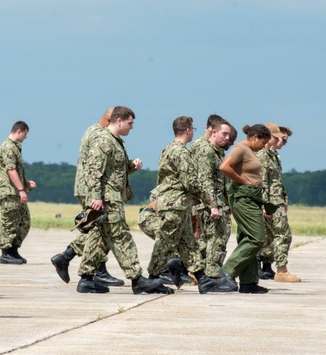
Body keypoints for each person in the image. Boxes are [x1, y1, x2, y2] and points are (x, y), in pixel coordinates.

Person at [76, 106, 164, 294]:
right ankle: (137, 279)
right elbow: (93, 171)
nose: (132, 127)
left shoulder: (115, 142)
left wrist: (131, 165)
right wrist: (96, 197)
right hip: (107, 199)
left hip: (112, 197)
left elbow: (114, 169)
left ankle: (86, 279)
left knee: (99, 239)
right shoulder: (104, 141)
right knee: (121, 237)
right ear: (119, 121)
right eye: (130, 123)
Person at [147, 116, 233, 294]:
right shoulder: (180, 152)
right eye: (192, 129)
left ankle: (202, 279)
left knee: (189, 244)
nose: (194, 132)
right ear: (187, 130)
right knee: (164, 243)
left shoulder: (167, 149)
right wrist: (208, 200)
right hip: (175, 204)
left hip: (178, 203)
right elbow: (191, 182)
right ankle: (152, 279)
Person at [50, 108, 125, 289]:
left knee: (97, 228)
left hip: (88, 188)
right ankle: (94, 270)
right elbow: (96, 168)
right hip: (92, 189)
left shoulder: (92, 130)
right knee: (99, 229)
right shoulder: (100, 135)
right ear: (110, 121)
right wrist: (96, 194)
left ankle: (69, 258)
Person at [218, 124, 274, 294]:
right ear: (255, 137)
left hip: (252, 198)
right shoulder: (241, 149)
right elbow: (224, 167)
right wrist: (242, 180)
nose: (264, 146)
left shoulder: (250, 151)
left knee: (247, 238)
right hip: (244, 199)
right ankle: (227, 271)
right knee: (257, 238)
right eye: (263, 142)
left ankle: (248, 282)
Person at [189, 114, 234, 280]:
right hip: (211, 205)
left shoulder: (218, 153)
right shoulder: (206, 151)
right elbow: (204, 180)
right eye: (224, 134)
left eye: (229, 135)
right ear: (213, 132)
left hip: (219, 203)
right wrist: (212, 205)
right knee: (216, 240)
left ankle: (195, 269)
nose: (227, 138)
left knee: (210, 241)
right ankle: (213, 276)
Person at [258, 125, 300, 283]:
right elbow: (261, 182)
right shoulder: (262, 155)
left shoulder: (273, 156)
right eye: (277, 137)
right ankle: (282, 270)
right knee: (282, 234)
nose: (279, 141)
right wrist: (263, 205)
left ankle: (278, 268)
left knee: (279, 235)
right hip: (270, 202)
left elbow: (276, 183)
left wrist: (284, 200)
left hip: (276, 201)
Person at [0, 120, 36, 264]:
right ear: (19, 131)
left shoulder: (15, 148)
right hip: (8, 191)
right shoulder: (8, 147)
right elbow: (10, 170)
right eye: (25, 134)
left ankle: (13, 250)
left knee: (24, 221)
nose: (25, 137)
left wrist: (25, 183)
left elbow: (15, 171)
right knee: (10, 222)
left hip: (14, 190)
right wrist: (21, 189)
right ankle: (6, 252)